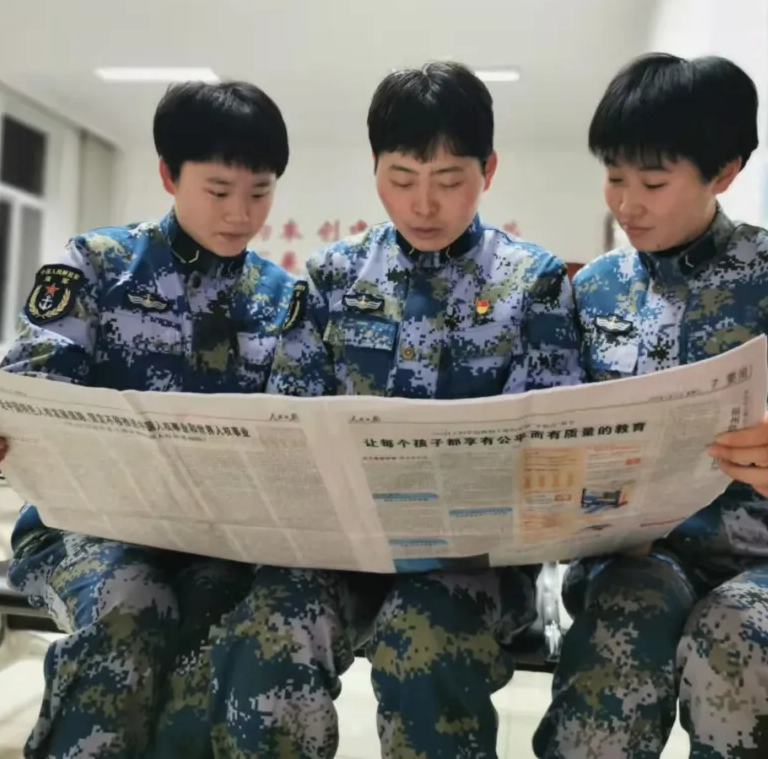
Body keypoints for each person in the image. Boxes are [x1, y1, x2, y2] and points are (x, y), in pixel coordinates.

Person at [208, 60, 584, 759]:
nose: (424, 205)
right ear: (375, 169)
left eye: (449, 180)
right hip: (344, 547)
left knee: (426, 639)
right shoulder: (334, 275)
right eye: (402, 179)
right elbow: (291, 414)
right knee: (266, 627)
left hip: (472, 562)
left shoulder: (530, 281)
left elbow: (552, 438)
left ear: (488, 170)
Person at [532, 52, 768, 759]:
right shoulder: (593, 290)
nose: (626, 205)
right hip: (640, 556)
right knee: (615, 650)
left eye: (652, 183)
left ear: (722, 173)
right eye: (613, 177)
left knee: (735, 643)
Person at [0, 79, 305, 759]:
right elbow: (29, 395)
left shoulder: (282, 298)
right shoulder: (99, 267)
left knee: (221, 631)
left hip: (219, 540)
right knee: (129, 607)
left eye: (260, 193)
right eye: (218, 190)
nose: (241, 214)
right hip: (84, 530)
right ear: (169, 175)